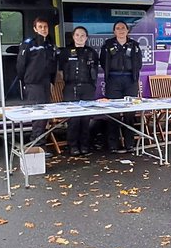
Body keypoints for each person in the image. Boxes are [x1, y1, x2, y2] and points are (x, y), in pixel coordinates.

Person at [100, 20, 143, 153]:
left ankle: (129, 144)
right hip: (113, 80)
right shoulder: (108, 45)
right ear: (114, 31)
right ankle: (113, 145)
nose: (120, 30)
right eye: (118, 28)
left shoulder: (134, 45)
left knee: (129, 113)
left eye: (123, 28)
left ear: (127, 31)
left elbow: (139, 63)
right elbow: (102, 62)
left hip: (130, 81)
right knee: (113, 113)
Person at [16, 16, 58, 142]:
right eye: (40, 27)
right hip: (33, 83)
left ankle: (40, 142)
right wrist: (24, 81)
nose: (43, 29)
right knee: (38, 115)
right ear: (35, 29)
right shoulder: (29, 43)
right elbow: (20, 65)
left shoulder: (49, 44)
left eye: (45, 27)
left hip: (46, 83)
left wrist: (52, 81)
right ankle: (37, 144)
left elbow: (52, 65)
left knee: (44, 114)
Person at [61, 25, 99, 155]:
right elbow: (61, 71)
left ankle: (85, 145)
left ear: (86, 37)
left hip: (87, 88)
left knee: (85, 118)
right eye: (77, 35)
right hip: (71, 88)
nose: (80, 38)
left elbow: (95, 70)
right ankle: (73, 146)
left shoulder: (92, 52)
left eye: (83, 35)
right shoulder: (66, 52)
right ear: (73, 37)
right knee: (74, 119)